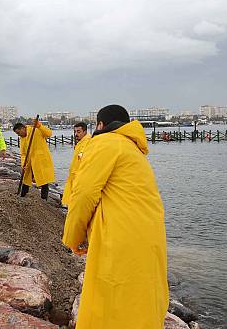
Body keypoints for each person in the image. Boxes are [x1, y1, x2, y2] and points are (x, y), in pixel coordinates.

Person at [62, 105, 168, 328]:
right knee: (141, 300)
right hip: (149, 235)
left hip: (120, 236)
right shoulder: (133, 149)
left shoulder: (105, 143)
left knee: (108, 302)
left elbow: (83, 194)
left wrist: (73, 237)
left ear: (100, 125)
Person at [13, 120, 55, 200]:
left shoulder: (35, 130)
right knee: (26, 179)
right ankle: (23, 196)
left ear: (23, 128)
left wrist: (40, 126)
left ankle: (44, 199)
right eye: (17, 134)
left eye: (18, 133)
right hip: (29, 162)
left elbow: (49, 133)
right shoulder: (22, 138)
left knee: (44, 181)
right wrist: (23, 163)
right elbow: (23, 153)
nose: (19, 135)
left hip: (40, 160)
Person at [61, 122, 91, 207]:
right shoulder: (81, 142)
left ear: (85, 132)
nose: (76, 134)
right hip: (75, 176)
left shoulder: (86, 142)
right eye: (75, 132)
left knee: (76, 202)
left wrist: (81, 155)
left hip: (79, 177)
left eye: (78, 131)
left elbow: (83, 155)